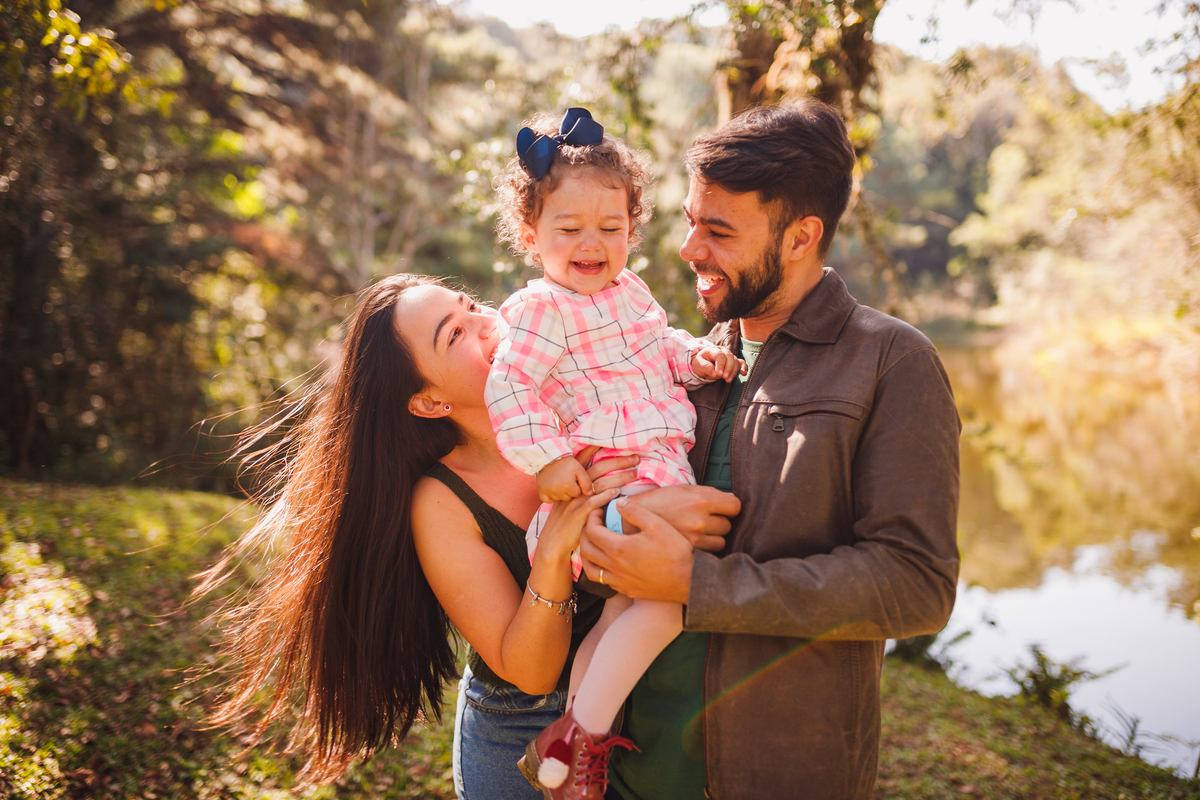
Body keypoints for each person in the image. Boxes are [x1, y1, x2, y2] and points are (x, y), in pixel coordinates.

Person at [203, 273, 741, 799]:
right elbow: (530, 672)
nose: (484, 324)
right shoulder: (441, 502)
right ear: (429, 401)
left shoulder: (585, 401)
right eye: (453, 335)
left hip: (624, 694)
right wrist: (554, 545)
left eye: (470, 306)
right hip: (518, 728)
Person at [580, 99, 962, 800]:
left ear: (800, 236)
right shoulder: (676, 357)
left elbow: (917, 586)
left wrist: (700, 588)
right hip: (628, 770)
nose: (690, 249)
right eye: (692, 222)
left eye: (718, 231)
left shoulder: (892, 363)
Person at [484, 109, 742, 800]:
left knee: (632, 609)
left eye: (611, 228)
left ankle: (568, 744)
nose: (592, 244)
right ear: (532, 238)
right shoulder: (542, 310)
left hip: (655, 472)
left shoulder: (630, 294)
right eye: (569, 230)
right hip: (607, 489)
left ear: (633, 229)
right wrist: (545, 459)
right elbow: (508, 386)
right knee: (670, 603)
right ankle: (577, 744)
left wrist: (698, 355)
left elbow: (656, 348)